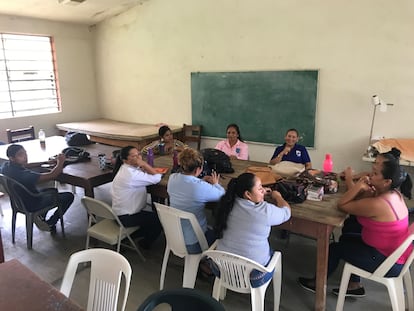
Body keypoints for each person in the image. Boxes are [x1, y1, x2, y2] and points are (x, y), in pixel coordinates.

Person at [298, 152, 413, 297]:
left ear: (387, 182)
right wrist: (359, 184)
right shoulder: (394, 194)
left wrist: (358, 186)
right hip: (393, 253)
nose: (371, 175)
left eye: (375, 173)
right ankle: (354, 285)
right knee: (347, 237)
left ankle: (317, 285)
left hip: (386, 261)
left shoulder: (379, 204)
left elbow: (342, 205)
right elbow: (364, 198)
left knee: (335, 248)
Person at [214, 172, 291, 286]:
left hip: (221, 268)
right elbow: (286, 212)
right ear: (248, 194)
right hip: (252, 276)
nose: (263, 190)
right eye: (260, 188)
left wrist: (259, 193)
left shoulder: (227, 203)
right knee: (272, 252)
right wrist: (278, 197)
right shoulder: (265, 211)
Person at [1, 144, 74, 232]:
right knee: (68, 196)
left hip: (19, 201)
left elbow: (26, 165)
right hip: (33, 202)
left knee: (51, 190)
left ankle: (41, 215)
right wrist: (60, 162)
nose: (25, 156)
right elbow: (52, 175)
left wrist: (45, 162)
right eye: (20, 155)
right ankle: (51, 222)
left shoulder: (6, 166)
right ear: (12, 158)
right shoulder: (24, 175)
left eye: (25, 153)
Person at [167, 148, 225, 253]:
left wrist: (200, 181)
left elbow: (188, 184)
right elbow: (222, 195)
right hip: (194, 242)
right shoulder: (199, 187)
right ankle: (206, 262)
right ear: (199, 169)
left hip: (174, 237)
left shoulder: (172, 178)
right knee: (221, 234)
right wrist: (216, 183)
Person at [111, 145, 163, 249]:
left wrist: (142, 166)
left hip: (120, 212)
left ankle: (128, 238)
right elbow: (157, 178)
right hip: (126, 217)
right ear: (125, 160)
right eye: (134, 156)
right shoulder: (130, 175)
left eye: (139, 154)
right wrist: (144, 164)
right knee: (159, 220)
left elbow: (143, 173)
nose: (138, 157)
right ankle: (142, 243)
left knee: (151, 218)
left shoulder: (126, 169)